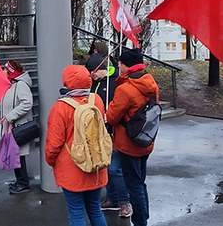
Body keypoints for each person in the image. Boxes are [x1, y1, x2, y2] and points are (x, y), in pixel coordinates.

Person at [45, 65, 108, 226]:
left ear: (67, 82)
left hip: (72, 167)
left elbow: (54, 142)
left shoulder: (60, 107)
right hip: (96, 164)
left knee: (76, 212)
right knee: (95, 209)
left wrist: (50, 161)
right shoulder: (97, 100)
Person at [105, 49, 160, 226]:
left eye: (120, 63)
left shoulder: (125, 89)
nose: (118, 66)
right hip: (145, 140)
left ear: (126, 65)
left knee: (134, 185)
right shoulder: (151, 84)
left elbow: (112, 117)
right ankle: (144, 217)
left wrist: (109, 108)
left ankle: (140, 222)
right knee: (140, 183)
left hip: (128, 145)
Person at [86, 47, 132, 218]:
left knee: (114, 169)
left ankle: (124, 202)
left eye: (94, 71)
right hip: (98, 131)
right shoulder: (94, 84)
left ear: (102, 69)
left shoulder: (115, 83)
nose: (91, 74)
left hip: (113, 131)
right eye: (90, 72)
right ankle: (112, 197)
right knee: (106, 168)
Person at [0, 59, 34, 194]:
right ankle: (20, 181)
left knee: (18, 155)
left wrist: (10, 116)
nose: (2, 71)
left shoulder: (20, 85)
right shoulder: (11, 84)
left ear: (10, 71)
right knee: (15, 155)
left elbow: (27, 103)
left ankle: (23, 183)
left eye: (4, 69)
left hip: (17, 127)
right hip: (10, 126)